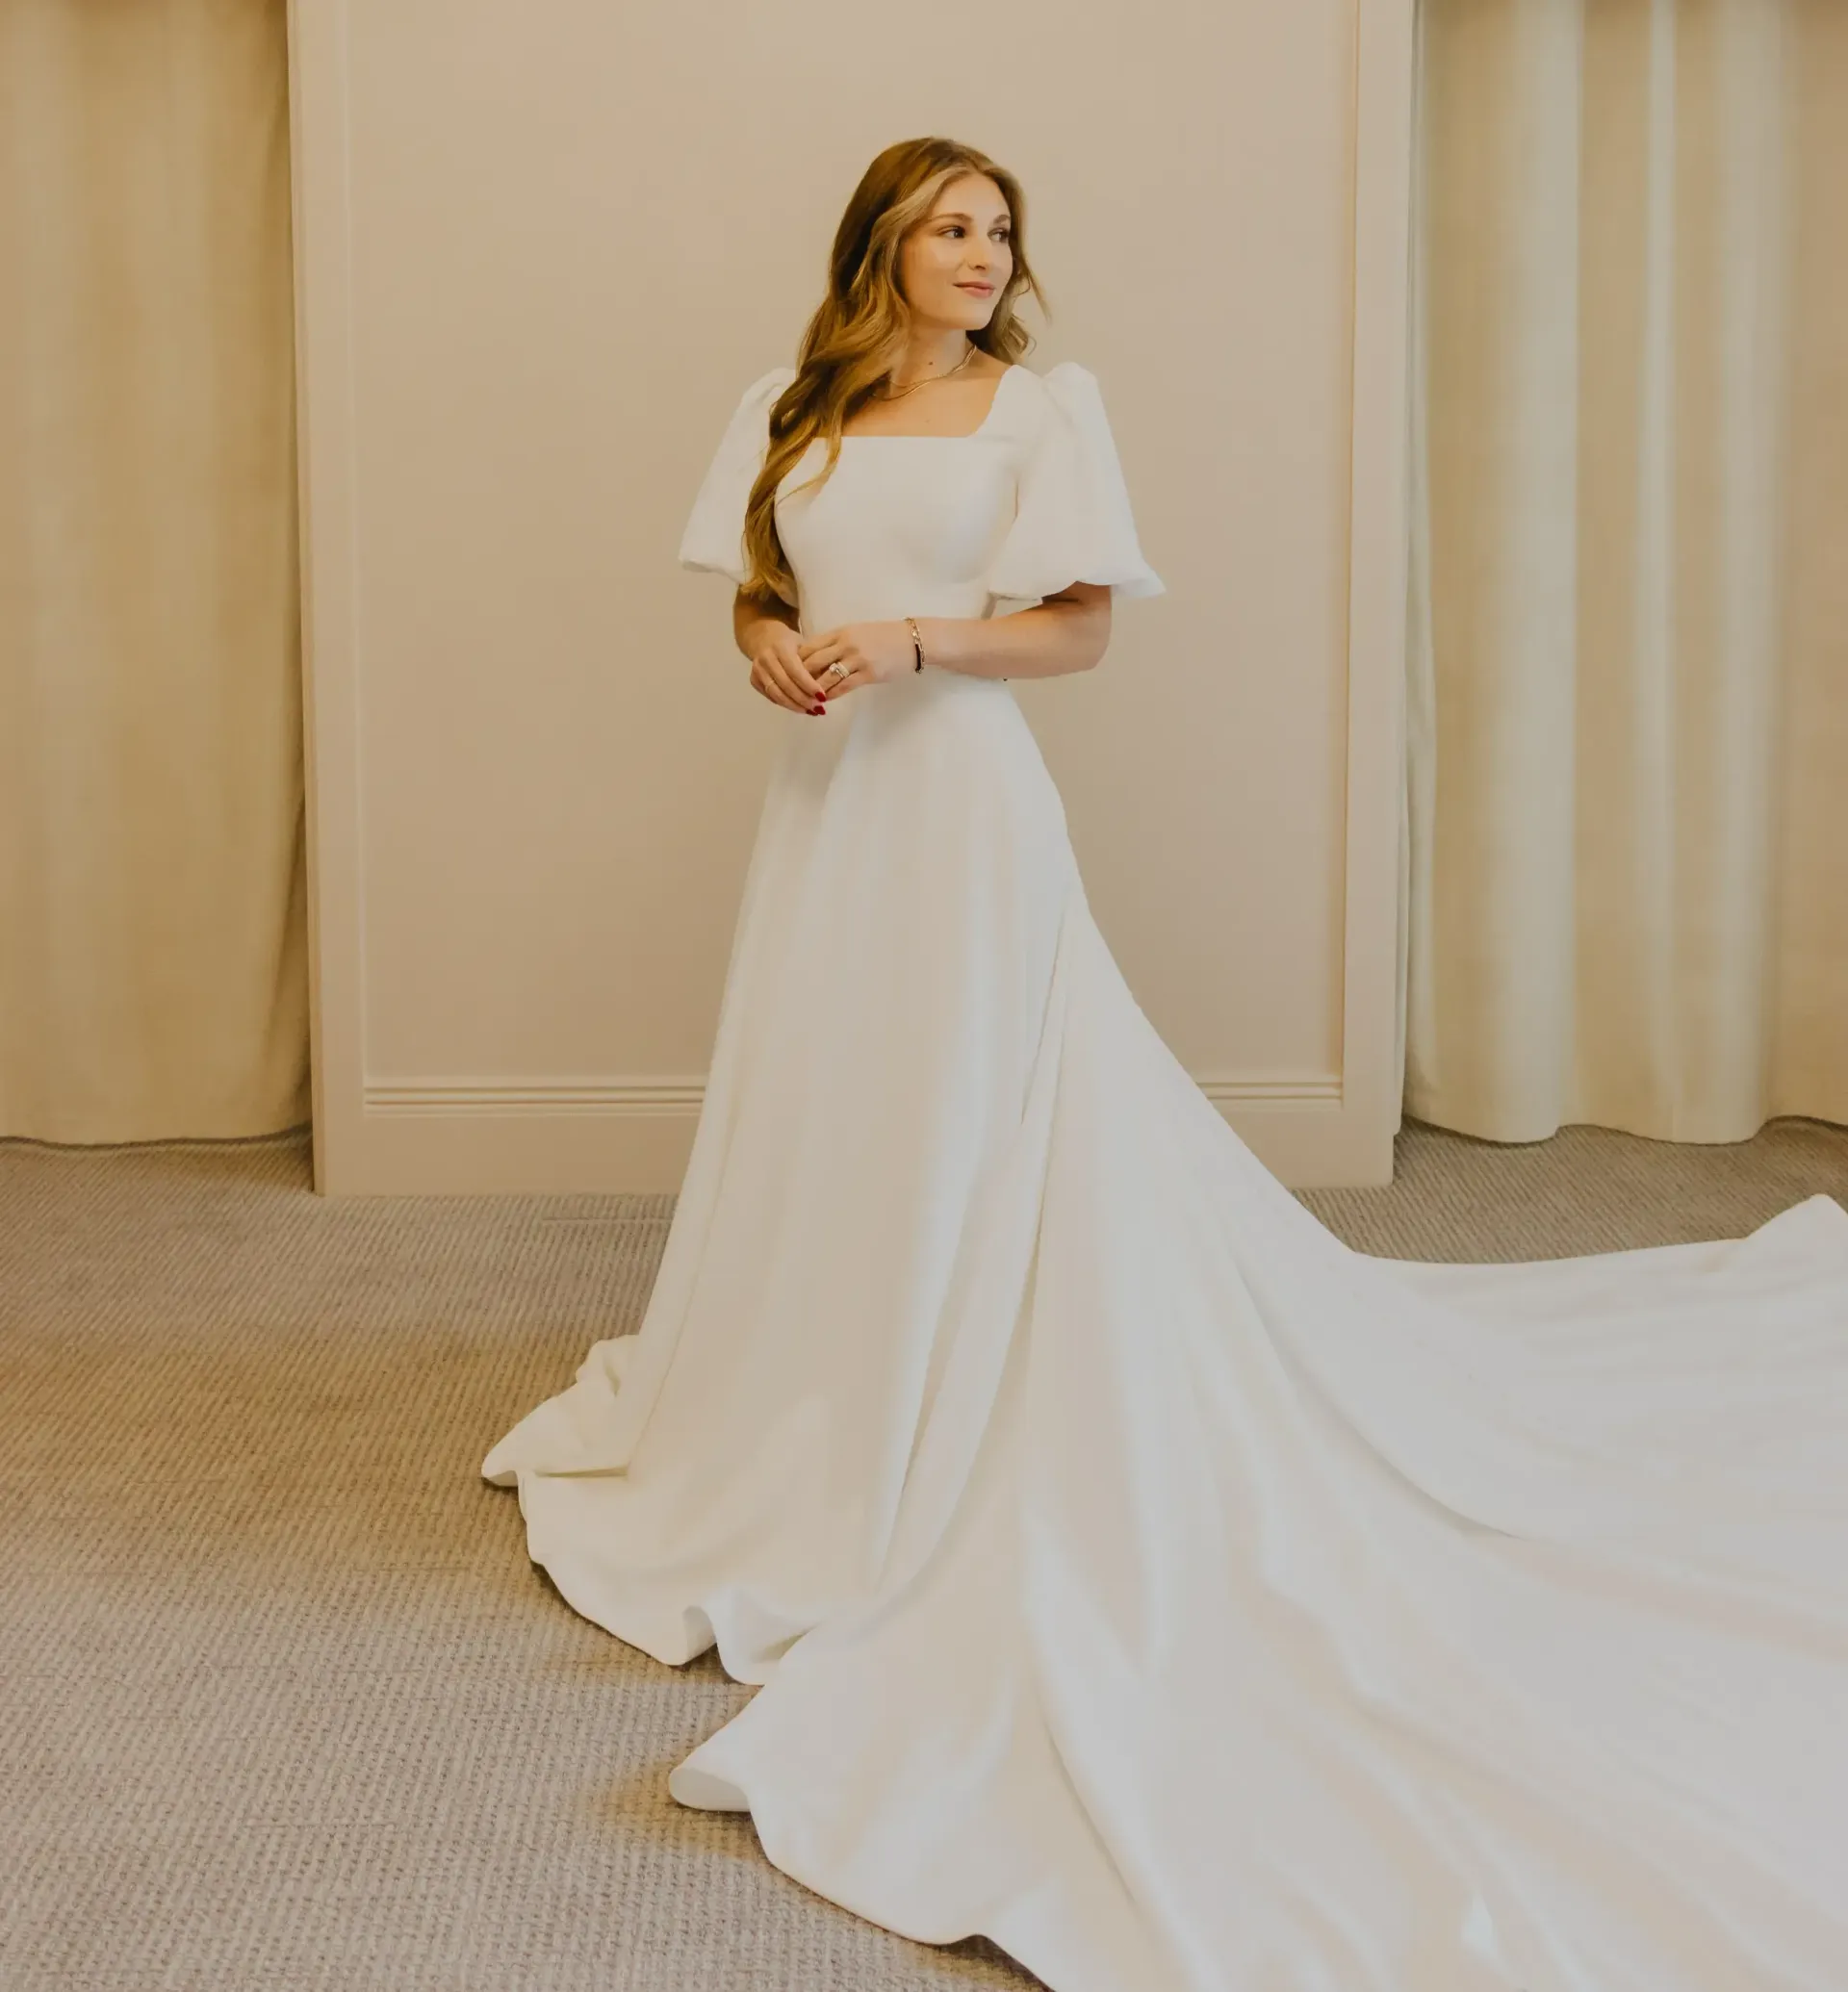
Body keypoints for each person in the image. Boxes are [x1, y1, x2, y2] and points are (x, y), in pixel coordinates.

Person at [484, 136, 1848, 1992]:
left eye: (1000, 230)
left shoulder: (1038, 414)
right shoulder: (786, 403)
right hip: (825, 816)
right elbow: (746, 584)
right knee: (833, 1119)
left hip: (961, 807)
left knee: (976, 1118)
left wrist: (909, 639)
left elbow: (1083, 631)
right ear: (881, 244)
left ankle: (943, 1421)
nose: (984, 254)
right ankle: (811, 1401)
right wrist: (776, 650)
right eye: (951, 227)